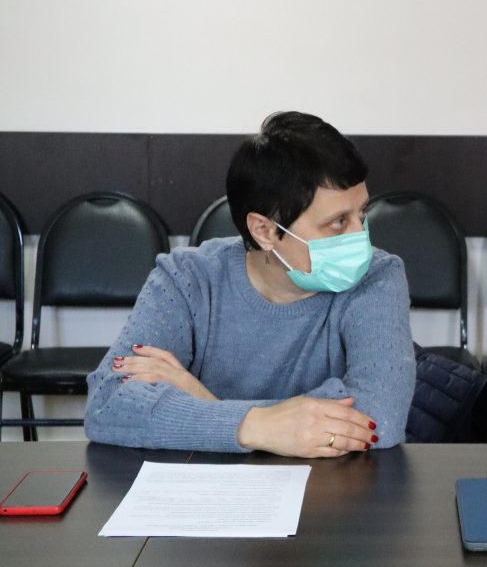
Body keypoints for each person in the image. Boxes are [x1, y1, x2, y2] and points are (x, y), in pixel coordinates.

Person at [85, 111, 415, 457]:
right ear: (264, 231)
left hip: (334, 487)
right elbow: (108, 405)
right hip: (205, 484)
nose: (360, 236)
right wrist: (259, 426)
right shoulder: (185, 277)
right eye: (338, 222)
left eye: (361, 214)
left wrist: (201, 399)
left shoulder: (378, 276)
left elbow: (380, 416)